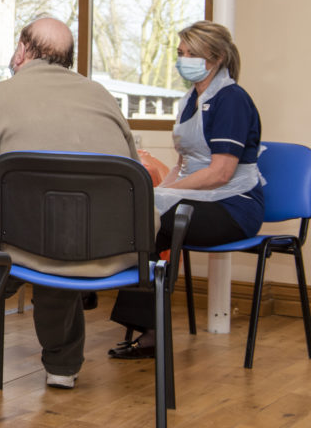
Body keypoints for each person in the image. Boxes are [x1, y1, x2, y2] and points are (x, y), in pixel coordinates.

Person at [0, 17, 138, 390]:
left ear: (22, 50)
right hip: (109, 249)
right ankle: (62, 366)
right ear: (67, 59)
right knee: (63, 233)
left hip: (23, 249)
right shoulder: (104, 98)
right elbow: (132, 173)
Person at [108, 21, 263, 359]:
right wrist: (158, 195)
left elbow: (221, 173)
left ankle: (150, 333)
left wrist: (165, 196)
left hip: (235, 206)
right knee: (142, 215)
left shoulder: (231, 100)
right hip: (200, 198)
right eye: (181, 53)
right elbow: (182, 164)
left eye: (193, 54)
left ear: (217, 57)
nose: (184, 60)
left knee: (162, 219)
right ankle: (146, 329)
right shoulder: (190, 100)